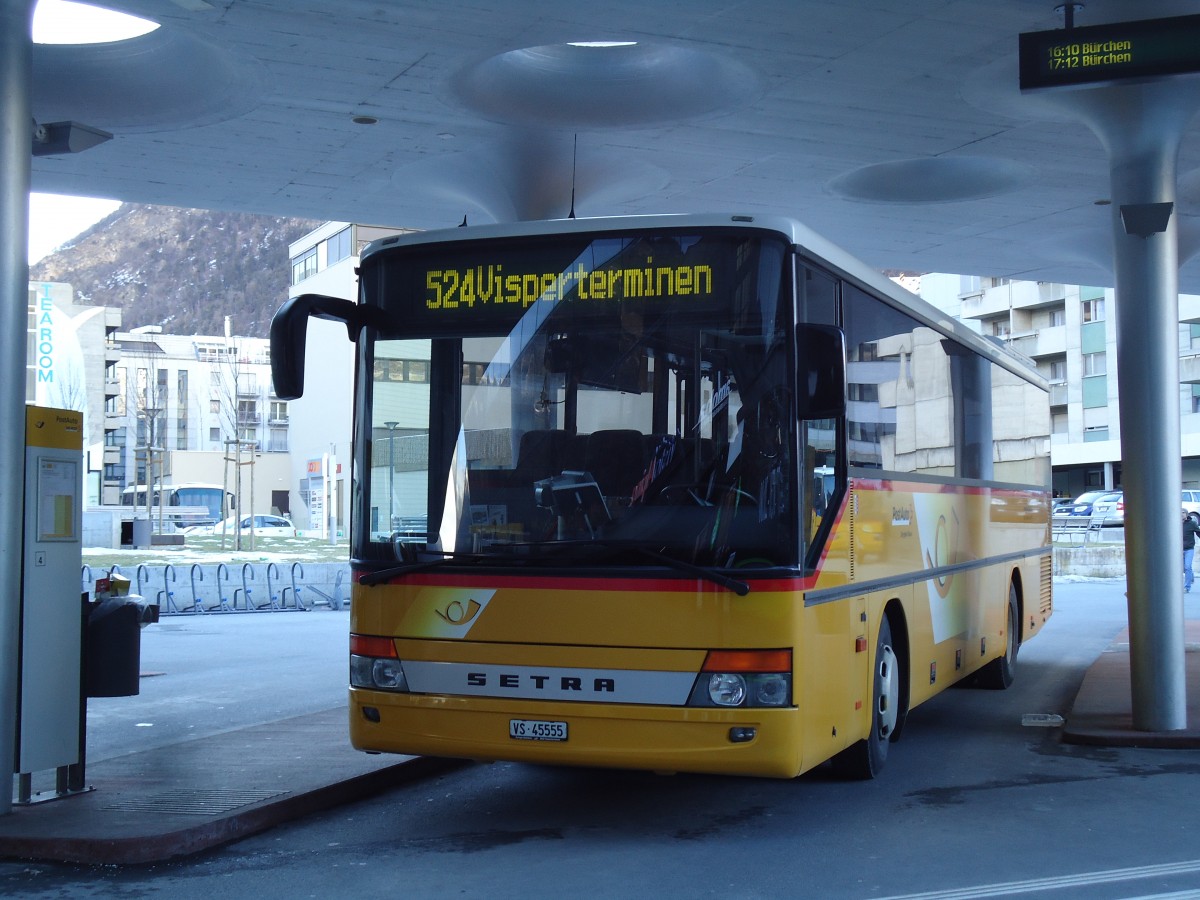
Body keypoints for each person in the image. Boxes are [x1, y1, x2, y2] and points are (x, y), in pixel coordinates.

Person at [1184, 509, 1200, 593]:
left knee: (1187, 566)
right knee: (1184, 568)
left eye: (1183, 513)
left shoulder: (1192, 524)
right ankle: (1191, 576)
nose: (1181, 514)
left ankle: (1187, 587)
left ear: (1186, 514)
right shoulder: (1175, 523)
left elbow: (1198, 532)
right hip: (1178, 550)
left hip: (1189, 549)